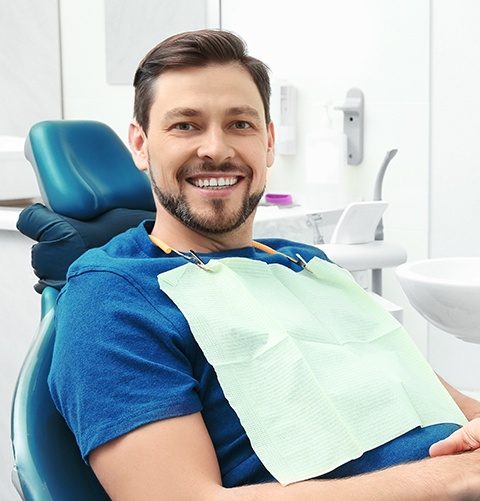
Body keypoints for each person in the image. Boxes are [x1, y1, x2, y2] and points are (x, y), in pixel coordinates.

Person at [48, 29, 480, 500]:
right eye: (185, 125)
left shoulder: (309, 265)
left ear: (269, 142)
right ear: (140, 143)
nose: (216, 148)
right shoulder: (114, 297)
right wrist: (456, 478)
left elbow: (447, 403)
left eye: (240, 124)